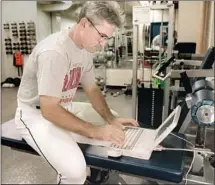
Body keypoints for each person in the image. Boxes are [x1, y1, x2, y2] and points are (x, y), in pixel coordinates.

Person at [14, 1, 138, 184]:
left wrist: (110, 119)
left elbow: (92, 89)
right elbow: (49, 110)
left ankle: (98, 176)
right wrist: (96, 131)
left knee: (114, 120)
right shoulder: (54, 52)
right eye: (101, 36)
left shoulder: (84, 50)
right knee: (74, 171)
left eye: (106, 39)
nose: (103, 44)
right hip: (36, 114)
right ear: (84, 24)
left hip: (64, 106)